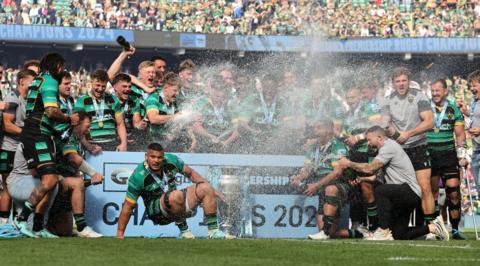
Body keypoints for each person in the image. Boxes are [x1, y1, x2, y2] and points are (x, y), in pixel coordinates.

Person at [337, 126, 449, 241]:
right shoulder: (385, 148)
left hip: (408, 191)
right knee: (399, 234)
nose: (368, 144)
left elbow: (370, 168)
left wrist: (348, 163)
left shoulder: (387, 147)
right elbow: (376, 176)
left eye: (370, 140)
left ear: (380, 137)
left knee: (380, 190)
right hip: (404, 194)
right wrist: (362, 179)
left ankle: (384, 231)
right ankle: (433, 227)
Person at [15, 53, 79, 238]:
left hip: (35, 134)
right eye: (62, 66)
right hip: (37, 135)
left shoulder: (39, 80)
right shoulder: (50, 81)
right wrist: (68, 118)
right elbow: (51, 111)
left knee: (51, 182)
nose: (63, 71)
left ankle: (37, 226)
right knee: (50, 180)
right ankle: (21, 219)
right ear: (57, 66)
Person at [116, 143, 234, 239]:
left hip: (178, 205)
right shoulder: (138, 176)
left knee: (205, 187)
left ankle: (213, 232)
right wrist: (120, 235)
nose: (156, 160)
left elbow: (191, 173)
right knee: (176, 195)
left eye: (159, 157)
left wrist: (214, 191)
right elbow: (128, 207)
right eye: (152, 157)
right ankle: (184, 232)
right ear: (146, 156)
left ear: (164, 157)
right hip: (159, 214)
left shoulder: (171, 160)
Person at [381, 67, 436, 224]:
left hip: (418, 145)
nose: (401, 84)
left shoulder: (420, 96)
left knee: (424, 187)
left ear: (409, 81)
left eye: (404, 80)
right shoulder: (387, 100)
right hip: (399, 150)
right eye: (397, 81)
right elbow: (385, 123)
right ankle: (397, 225)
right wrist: (388, 130)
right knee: (398, 189)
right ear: (393, 83)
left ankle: (431, 227)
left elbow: (430, 121)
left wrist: (408, 134)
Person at [291, 119, 357, 240]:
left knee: (331, 189)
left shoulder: (338, 146)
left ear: (328, 130)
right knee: (328, 232)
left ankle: (326, 232)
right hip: (323, 186)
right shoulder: (314, 148)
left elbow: (337, 173)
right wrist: (299, 177)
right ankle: (359, 233)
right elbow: (307, 168)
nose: (315, 130)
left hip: (341, 185)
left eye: (318, 127)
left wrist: (316, 186)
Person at [427, 79, 467, 240]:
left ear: (445, 91)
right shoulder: (424, 107)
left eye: (438, 90)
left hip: (448, 155)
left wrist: (462, 155)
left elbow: (460, 135)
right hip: (429, 154)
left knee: (453, 192)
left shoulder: (453, 108)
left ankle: (455, 230)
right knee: (432, 193)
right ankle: (435, 229)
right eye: (433, 91)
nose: (435, 93)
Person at [0, 69, 35, 224]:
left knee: (21, 186)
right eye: (32, 81)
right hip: (10, 149)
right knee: (8, 187)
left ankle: (18, 221)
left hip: (23, 149)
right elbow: (7, 125)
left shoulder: (30, 100)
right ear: (22, 81)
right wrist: (27, 135)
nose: (35, 85)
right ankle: (3, 222)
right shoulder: (13, 97)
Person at [75, 69, 128, 152]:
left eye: (103, 86)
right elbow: (77, 127)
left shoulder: (113, 99)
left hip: (111, 145)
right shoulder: (82, 100)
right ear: (92, 82)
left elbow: (120, 124)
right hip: (91, 145)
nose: (100, 89)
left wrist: (124, 143)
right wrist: (88, 145)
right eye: (97, 85)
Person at [462, 70, 480, 193]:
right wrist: (466, 112)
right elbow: (475, 116)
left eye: (474, 85)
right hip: (476, 148)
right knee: (479, 187)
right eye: (471, 86)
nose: (471, 89)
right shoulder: (475, 101)